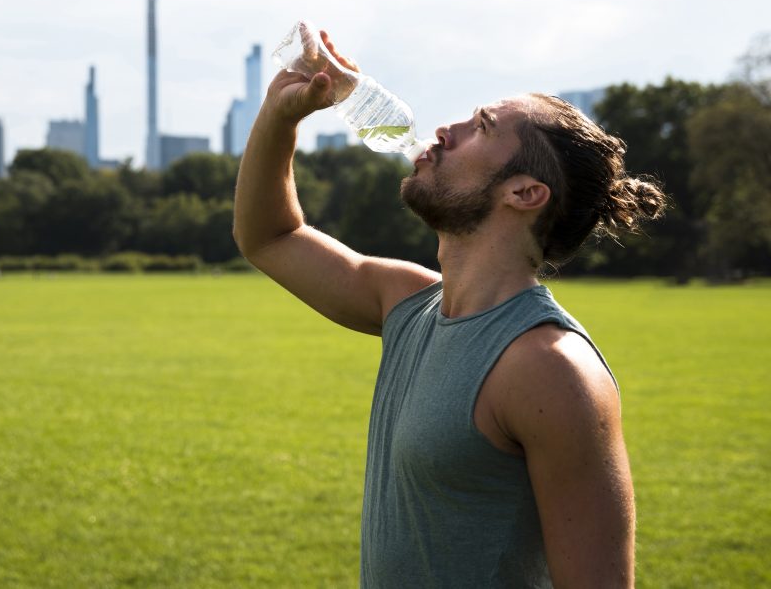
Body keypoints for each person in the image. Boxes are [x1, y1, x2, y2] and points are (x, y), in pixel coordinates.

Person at [232, 29, 667, 588]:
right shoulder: (407, 304)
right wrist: (280, 113)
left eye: (480, 127)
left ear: (524, 193)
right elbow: (269, 236)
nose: (445, 129)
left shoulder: (552, 370)